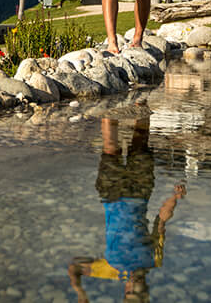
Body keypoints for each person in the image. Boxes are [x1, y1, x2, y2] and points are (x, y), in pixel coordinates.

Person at [68, 116, 186, 303]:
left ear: (126, 292)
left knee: (110, 147)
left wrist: (80, 292)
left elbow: (74, 267)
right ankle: (140, 105)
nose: (135, 287)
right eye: (140, 293)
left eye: (131, 294)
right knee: (140, 143)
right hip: (140, 192)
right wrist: (175, 199)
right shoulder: (154, 261)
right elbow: (161, 222)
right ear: (146, 292)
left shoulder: (110, 270)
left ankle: (112, 109)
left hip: (111, 194)